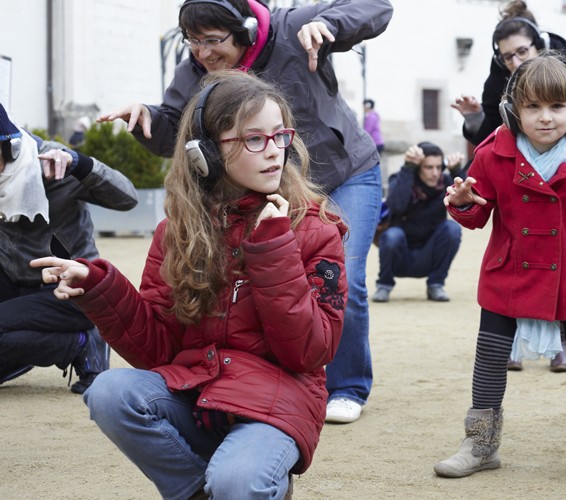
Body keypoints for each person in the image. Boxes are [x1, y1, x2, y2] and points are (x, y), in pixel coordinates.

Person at [32, 71, 347, 499]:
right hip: (197, 392)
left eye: (280, 136)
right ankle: (198, 492)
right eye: (254, 139)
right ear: (206, 155)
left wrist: (274, 249)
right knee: (108, 392)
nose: (274, 152)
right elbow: (157, 350)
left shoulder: (314, 229)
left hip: (276, 403)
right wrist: (98, 287)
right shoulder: (176, 232)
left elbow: (310, 352)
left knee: (238, 481)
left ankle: (246, 479)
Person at [97, 0, 393, 425]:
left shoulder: (294, 27)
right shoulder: (194, 73)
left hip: (345, 171)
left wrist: (328, 24)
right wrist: (148, 121)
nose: (202, 53)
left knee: (348, 272)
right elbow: (184, 140)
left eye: (213, 40)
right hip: (272, 184)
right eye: (193, 42)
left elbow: (376, 8)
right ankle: (260, 379)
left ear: (248, 30)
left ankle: (346, 386)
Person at [434, 53, 566, 478]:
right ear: (514, 111)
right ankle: (479, 444)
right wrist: (462, 205)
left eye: (557, 106)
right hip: (508, 269)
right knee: (490, 357)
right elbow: (479, 213)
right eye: (533, 107)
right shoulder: (492, 154)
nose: (546, 118)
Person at [0, 103, 137, 394]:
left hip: (69, 291)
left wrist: (81, 164)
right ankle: (24, 347)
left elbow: (128, 198)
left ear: (9, 147)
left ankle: (81, 342)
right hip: (13, 285)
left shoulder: (54, 164)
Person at [451, 0, 566, 149]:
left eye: (522, 51)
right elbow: (487, 140)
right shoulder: (496, 83)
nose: (515, 63)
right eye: (507, 57)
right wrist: (475, 118)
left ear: (539, 43)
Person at [372, 142, 461, 303]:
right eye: (429, 167)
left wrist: (457, 173)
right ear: (418, 166)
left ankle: (436, 284)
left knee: (452, 229)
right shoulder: (401, 179)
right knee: (392, 235)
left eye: (438, 167)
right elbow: (397, 206)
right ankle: (384, 285)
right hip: (400, 255)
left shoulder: (446, 183)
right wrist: (408, 168)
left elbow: (470, 202)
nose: (435, 173)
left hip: (429, 254)